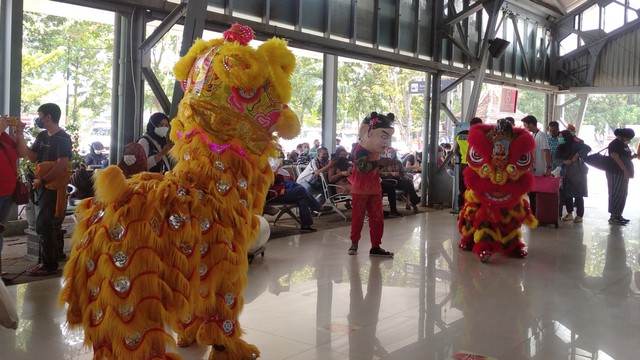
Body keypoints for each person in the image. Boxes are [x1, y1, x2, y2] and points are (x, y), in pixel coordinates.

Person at [18, 103, 73, 276]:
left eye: (40, 115)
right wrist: (20, 136)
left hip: (52, 187)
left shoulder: (63, 138)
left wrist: (43, 180)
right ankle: (46, 261)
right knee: (43, 225)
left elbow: (61, 165)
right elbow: (33, 156)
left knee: (44, 224)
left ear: (48, 117)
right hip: (40, 185)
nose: (38, 119)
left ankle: (49, 265)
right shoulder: (42, 136)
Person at [347, 112, 395, 258]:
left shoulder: (374, 151)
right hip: (360, 190)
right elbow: (362, 167)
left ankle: (375, 246)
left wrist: (382, 164)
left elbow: (373, 168)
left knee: (377, 218)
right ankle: (354, 243)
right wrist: (379, 163)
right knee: (358, 218)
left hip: (375, 189)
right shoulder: (360, 150)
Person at [0, 116, 26, 281]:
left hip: (7, 192)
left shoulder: (3, 137)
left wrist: (20, 134)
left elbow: (21, 152)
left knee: (0, 230)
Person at [555, 130, 590, 223]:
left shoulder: (576, 144)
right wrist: (564, 161)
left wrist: (577, 155)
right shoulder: (560, 147)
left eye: (561, 137)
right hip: (566, 173)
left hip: (579, 174)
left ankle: (579, 215)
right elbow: (556, 158)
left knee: (578, 194)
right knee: (567, 194)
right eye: (559, 137)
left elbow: (587, 148)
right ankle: (569, 213)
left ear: (567, 137)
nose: (560, 139)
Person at [521, 115, 551, 215]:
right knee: (531, 193)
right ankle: (534, 214)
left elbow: (547, 152)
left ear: (531, 124)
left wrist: (548, 168)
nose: (525, 127)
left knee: (536, 194)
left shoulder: (541, 135)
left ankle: (537, 215)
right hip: (532, 170)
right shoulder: (533, 135)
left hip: (539, 170)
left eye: (526, 125)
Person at [606, 128, 635, 225]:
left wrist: (634, 156)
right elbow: (615, 157)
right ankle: (613, 216)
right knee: (615, 193)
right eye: (628, 138)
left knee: (623, 193)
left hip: (623, 173)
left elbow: (625, 157)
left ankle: (618, 214)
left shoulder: (623, 144)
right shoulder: (614, 144)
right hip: (615, 172)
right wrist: (625, 170)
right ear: (623, 136)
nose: (629, 140)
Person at [453, 117, 483, 211]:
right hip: (476, 166)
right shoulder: (480, 136)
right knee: (475, 189)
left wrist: (462, 156)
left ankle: (461, 210)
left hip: (463, 165)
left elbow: (455, 151)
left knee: (462, 188)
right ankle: (473, 210)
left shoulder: (460, 135)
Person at [380, 147, 420, 214]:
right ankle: (414, 201)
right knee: (391, 186)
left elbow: (403, 172)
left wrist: (404, 176)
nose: (391, 154)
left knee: (408, 183)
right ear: (386, 153)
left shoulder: (398, 162)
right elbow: (379, 173)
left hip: (398, 180)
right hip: (387, 180)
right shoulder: (383, 162)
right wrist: (390, 173)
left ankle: (414, 203)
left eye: (392, 152)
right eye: (389, 152)